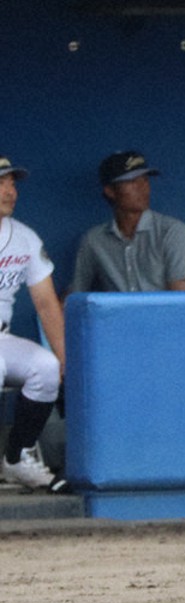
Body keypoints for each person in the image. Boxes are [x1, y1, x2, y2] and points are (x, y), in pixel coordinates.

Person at [0, 157, 69, 494]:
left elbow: (46, 303)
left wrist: (65, 359)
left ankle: (16, 459)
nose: (10, 191)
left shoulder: (24, 237)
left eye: (12, 183)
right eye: (1, 183)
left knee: (45, 366)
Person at [68, 151, 185, 293]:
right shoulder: (94, 239)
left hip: (163, 315)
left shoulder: (172, 231)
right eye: (131, 181)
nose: (142, 188)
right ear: (110, 191)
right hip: (116, 315)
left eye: (145, 180)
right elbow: (76, 294)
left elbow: (182, 299)